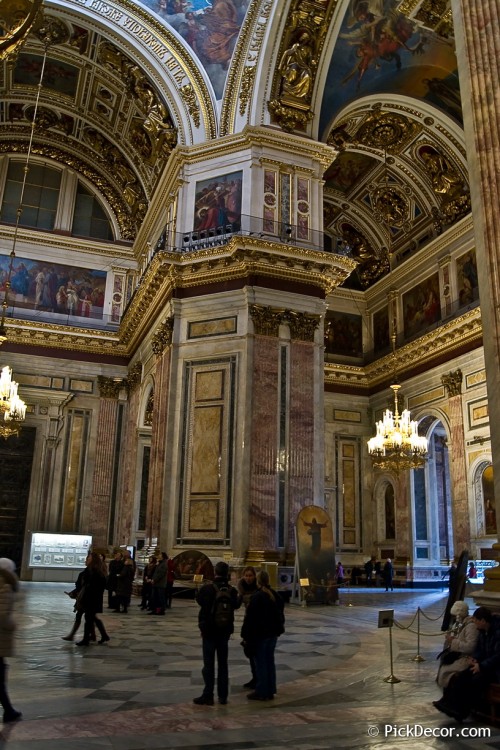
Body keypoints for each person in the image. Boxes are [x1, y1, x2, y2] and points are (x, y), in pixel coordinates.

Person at [433, 606, 500, 722]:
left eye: (476, 621)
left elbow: (498, 656)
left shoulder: (497, 633)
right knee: (463, 676)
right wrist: (475, 659)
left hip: (495, 669)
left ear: (483, 621)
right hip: (485, 664)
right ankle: (450, 705)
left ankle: (462, 710)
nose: (474, 623)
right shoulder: (483, 631)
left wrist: (482, 666)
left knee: (476, 680)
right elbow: (480, 650)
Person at [193, 561, 240, 706]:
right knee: (223, 664)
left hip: (208, 631)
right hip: (224, 631)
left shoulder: (207, 588)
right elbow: (237, 605)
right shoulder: (232, 590)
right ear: (228, 573)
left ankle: (208, 695)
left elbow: (199, 601)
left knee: (208, 664)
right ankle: (223, 696)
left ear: (215, 572)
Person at [241, 570, 285, 701]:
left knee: (260, 663)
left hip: (261, 635)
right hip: (273, 634)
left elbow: (251, 619)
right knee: (269, 662)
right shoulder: (275, 595)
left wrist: (245, 636)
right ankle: (270, 689)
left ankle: (261, 691)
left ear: (258, 581)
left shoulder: (258, 596)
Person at [436, 600, 478, 689]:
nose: (455, 618)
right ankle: (446, 696)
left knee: (446, 670)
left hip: (467, 657)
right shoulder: (460, 624)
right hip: (460, 655)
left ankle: (448, 697)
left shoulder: (471, 626)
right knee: (444, 666)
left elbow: (470, 647)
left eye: (456, 615)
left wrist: (453, 641)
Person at [0, 558, 22, 723]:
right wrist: (11, 625)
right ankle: (8, 711)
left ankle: (9, 710)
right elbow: (2, 614)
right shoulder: (5, 585)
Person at [76, 552, 110, 646]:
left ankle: (86, 639)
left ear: (93, 559)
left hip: (91, 598)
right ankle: (104, 635)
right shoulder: (94, 570)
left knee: (89, 618)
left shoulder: (94, 571)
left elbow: (89, 583)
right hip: (92, 597)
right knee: (91, 618)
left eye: (89, 558)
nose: (87, 560)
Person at [237, 566, 258, 689]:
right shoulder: (241, 588)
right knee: (249, 651)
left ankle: (258, 678)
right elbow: (237, 604)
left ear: (254, 576)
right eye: (246, 575)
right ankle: (254, 677)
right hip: (248, 620)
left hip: (257, 623)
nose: (248, 578)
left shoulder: (258, 589)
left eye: (250, 575)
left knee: (255, 652)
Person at [62, 569, 96, 642]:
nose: (86, 561)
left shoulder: (92, 573)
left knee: (87, 617)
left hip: (87, 598)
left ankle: (73, 635)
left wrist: (75, 593)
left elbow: (81, 586)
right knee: (88, 617)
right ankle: (93, 635)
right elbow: (79, 586)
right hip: (84, 598)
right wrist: (74, 592)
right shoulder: (85, 572)